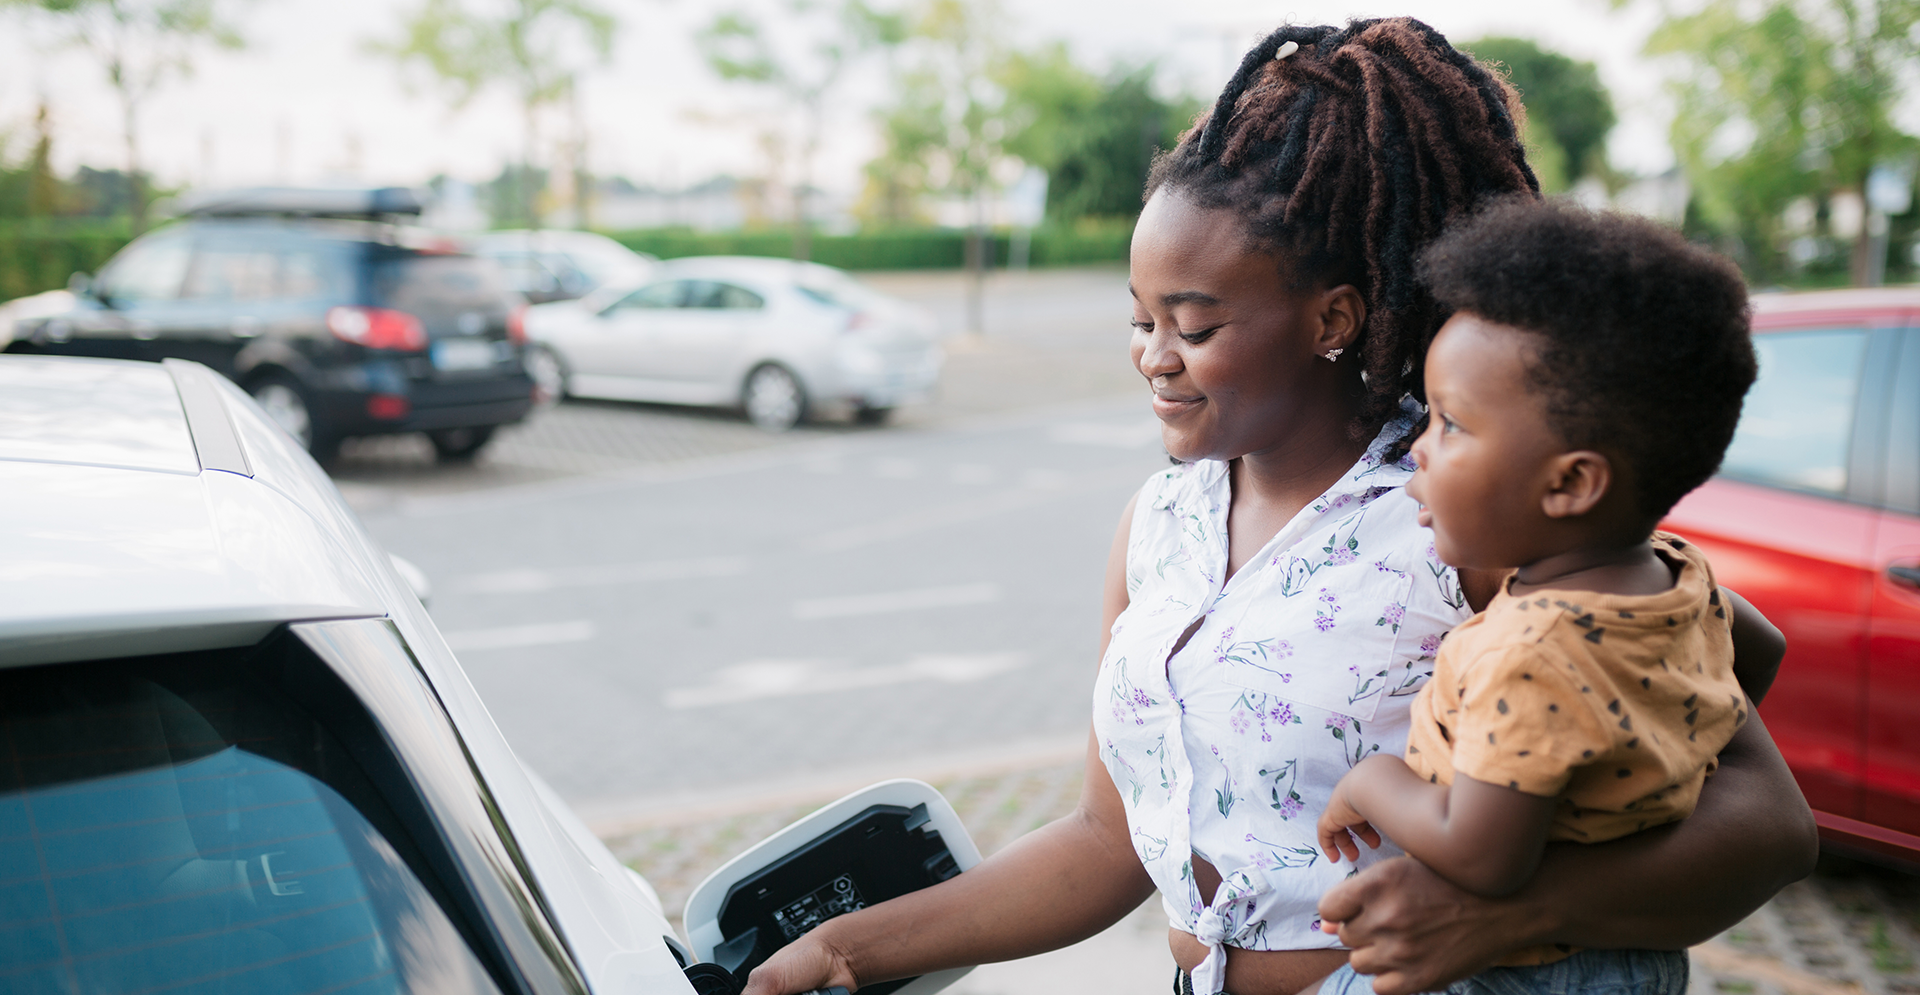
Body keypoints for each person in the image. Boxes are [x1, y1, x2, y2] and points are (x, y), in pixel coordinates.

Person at [740, 20, 1818, 995]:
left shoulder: (1467, 509)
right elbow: (1107, 841)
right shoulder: (1158, 524)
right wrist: (845, 951)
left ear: (1333, 317)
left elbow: (1766, 821)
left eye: (1197, 324)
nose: (1154, 357)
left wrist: (1512, 910)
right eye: (1139, 316)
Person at [1313, 199, 1783, 995]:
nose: (1418, 448)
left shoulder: (1530, 651)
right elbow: (1759, 649)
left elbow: (1482, 855)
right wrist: (1651, 762)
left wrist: (1369, 784)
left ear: (1570, 482)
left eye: (1452, 425)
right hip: (1635, 956)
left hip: (1515, 974)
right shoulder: (1677, 574)